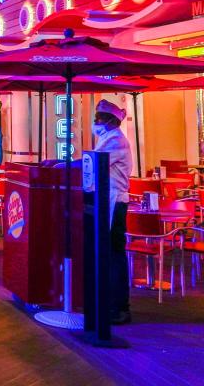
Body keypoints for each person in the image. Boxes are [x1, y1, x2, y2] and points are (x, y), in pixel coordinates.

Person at [91, 99, 134, 325]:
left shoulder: (115, 140)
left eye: (98, 118)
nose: (95, 122)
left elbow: (94, 164)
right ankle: (110, 303)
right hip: (108, 201)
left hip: (115, 204)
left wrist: (64, 166)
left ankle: (120, 307)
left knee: (115, 254)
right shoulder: (107, 138)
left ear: (109, 120)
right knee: (108, 253)